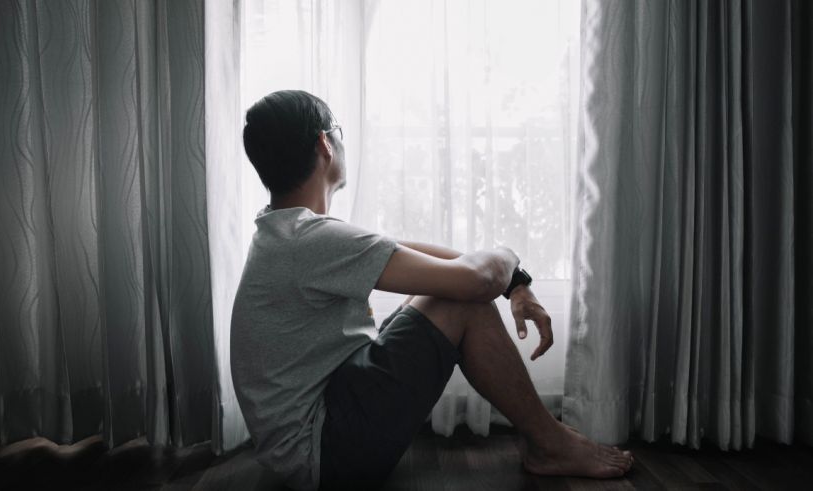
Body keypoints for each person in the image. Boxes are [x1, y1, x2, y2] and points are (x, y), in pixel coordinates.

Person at [230, 90, 634, 491]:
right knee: (464, 306)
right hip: (324, 453)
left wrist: (514, 282)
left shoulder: (287, 232)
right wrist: (507, 257)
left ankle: (549, 441)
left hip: (315, 438)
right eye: (339, 131)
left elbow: (415, 256)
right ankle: (551, 443)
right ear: (325, 144)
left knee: (439, 293)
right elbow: (473, 281)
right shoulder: (308, 239)